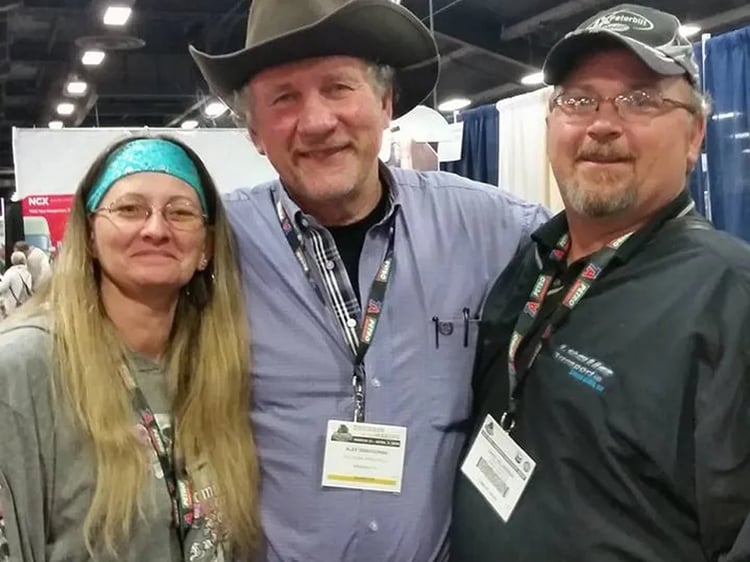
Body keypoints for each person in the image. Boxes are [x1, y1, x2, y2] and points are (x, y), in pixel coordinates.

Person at [189, 0, 549, 560]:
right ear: (254, 132)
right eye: (284, 98)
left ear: (385, 104)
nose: (316, 122)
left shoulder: (497, 230)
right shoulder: (213, 243)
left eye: (338, 88)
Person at [451, 4, 750, 562]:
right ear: (551, 127)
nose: (603, 124)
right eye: (578, 101)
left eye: (641, 99)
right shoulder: (531, 262)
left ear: (695, 136)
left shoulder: (730, 299)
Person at [0, 135, 261, 561]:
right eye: (129, 209)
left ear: (207, 248)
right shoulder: (24, 367)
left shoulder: (223, 367)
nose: (156, 229)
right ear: (89, 235)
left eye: (180, 212)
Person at [0, 250, 33, 317]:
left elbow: (2, 288)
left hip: (11, 305)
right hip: (24, 304)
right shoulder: (28, 273)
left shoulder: (11, 272)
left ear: (12, 261)